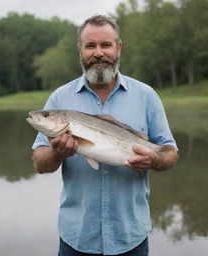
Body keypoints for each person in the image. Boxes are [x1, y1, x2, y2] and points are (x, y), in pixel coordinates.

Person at [32, 15, 178, 256]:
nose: (98, 53)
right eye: (90, 46)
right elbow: (40, 163)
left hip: (131, 239)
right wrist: (57, 154)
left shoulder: (146, 95)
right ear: (80, 50)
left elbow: (170, 154)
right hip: (76, 239)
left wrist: (155, 159)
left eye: (105, 45)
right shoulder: (59, 97)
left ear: (118, 48)